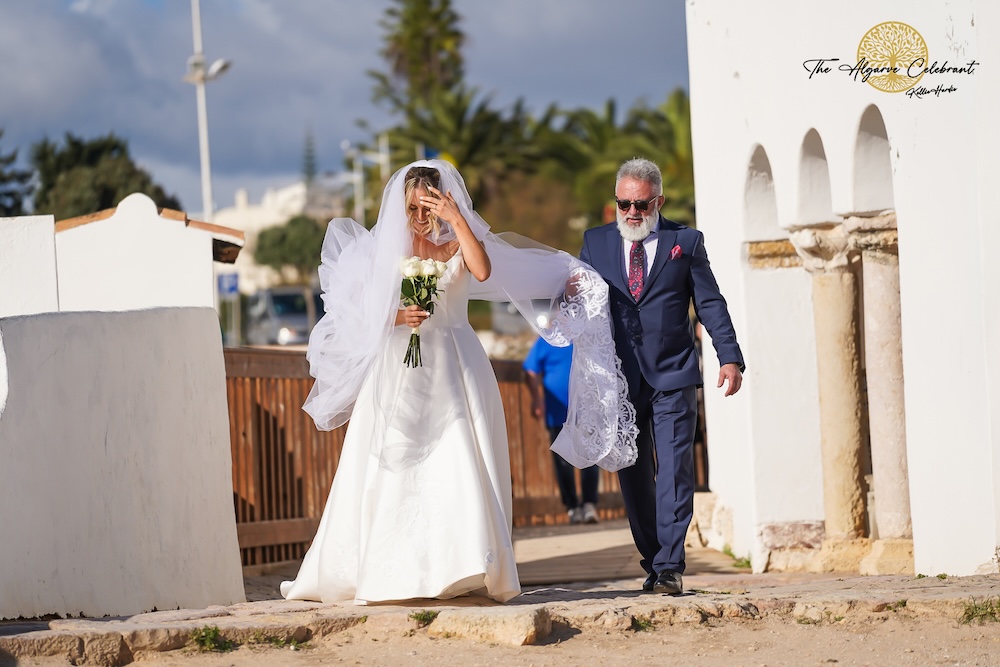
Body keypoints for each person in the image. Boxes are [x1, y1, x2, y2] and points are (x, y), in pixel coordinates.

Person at [280, 160, 637, 605]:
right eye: (414, 208)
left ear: (445, 200)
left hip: (457, 361)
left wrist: (457, 221)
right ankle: (386, 570)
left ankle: (463, 566)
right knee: (395, 460)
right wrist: (397, 316)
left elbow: (484, 271)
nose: (421, 217)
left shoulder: (460, 239)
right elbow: (355, 310)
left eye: (429, 206)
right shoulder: (385, 247)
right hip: (401, 367)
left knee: (461, 456)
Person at [579, 158, 745, 596]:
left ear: (659, 201)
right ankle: (652, 558)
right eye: (624, 204)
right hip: (620, 380)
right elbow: (576, 301)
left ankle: (671, 564)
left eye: (641, 204)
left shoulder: (684, 242)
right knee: (632, 475)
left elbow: (710, 303)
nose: (632, 213)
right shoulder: (594, 244)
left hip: (673, 373)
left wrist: (729, 356)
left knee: (674, 471)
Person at [523, 338, 600, 524]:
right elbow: (530, 369)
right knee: (563, 463)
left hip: (587, 411)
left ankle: (589, 504)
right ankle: (572, 507)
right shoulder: (547, 340)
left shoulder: (586, 336)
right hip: (558, 413)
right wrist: (536, 399)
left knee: (590, 459)